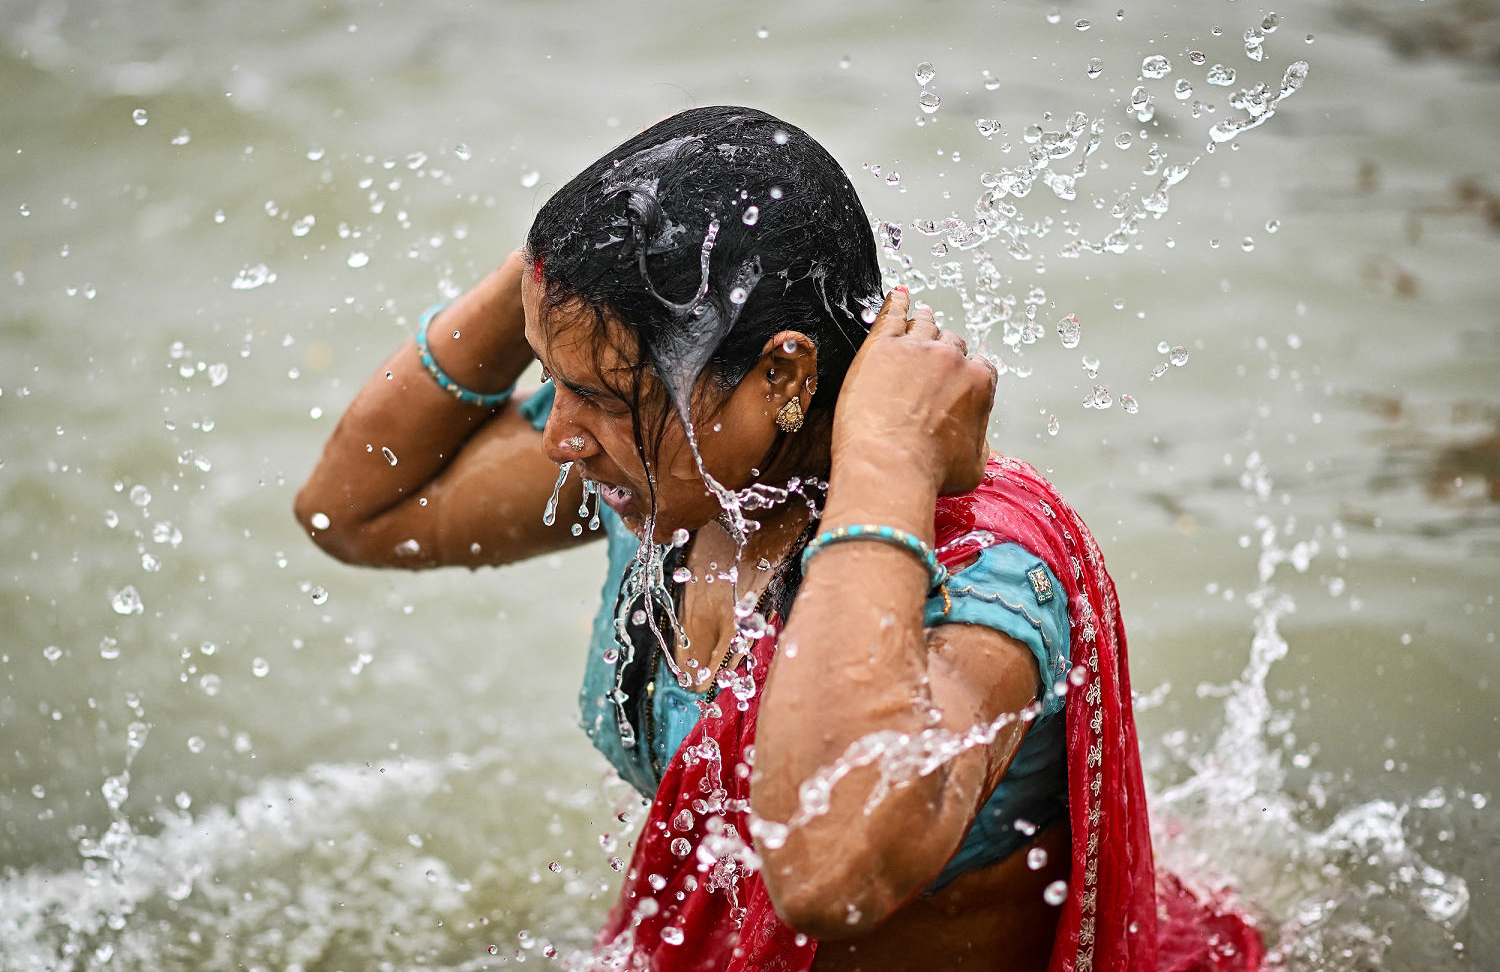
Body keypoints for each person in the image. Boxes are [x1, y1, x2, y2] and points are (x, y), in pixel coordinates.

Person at [295, 106, 1262, 971]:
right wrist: (564, 260)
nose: (557, 434)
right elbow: (355, 513)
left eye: (589, 392)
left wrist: (885, 459)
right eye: (557, 376)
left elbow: (828, 874)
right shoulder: (663, 469)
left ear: (782, 375)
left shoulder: (985, 576)